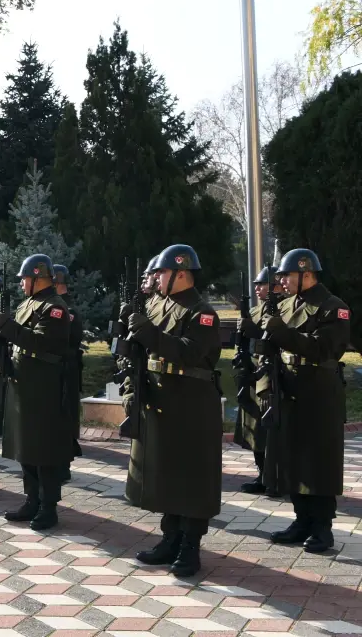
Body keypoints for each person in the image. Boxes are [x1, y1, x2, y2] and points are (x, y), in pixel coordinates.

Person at [123, 244, 222, 577]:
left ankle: (190, 546)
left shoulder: (202, 312)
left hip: (192, 403)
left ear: (181, 274)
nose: (156, 278)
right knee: (167, 473)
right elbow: (140, 349)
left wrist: (148, 332)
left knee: (192, 476)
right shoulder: (157, 304)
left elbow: (190, 353)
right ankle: (170, 538)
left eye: (162, 272)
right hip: (162, 399)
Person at [242, 248, 350, 554]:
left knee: (318, 460)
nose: (282, 282)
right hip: (287, 388)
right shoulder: (286, 305)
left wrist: (280, 331)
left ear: (307, 273)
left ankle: (322, 527)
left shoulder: (333, 307)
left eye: (287, 276)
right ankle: (302, 520)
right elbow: (268, 346)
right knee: (292, 457)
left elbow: (324, 349)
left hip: (318, 391)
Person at [0, 254, 71, 531]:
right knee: (26, 446)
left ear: (38, 278)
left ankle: (48, 507)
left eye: (25, 278)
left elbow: (42, 343)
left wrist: (7, 326)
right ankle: (32, 499)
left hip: (43, 386)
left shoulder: (55, 308)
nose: (22, 283)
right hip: (23, 383)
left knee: (43, 448)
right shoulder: (28, 304)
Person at [234, 267, 281, 495]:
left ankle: (276, 479)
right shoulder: (253, 311)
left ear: (275, 287)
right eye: (256, 285)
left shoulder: (281, 309)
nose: (257, 289)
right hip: (253, 374)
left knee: (271, 431)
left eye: (262, 284)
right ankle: (262, 475)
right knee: (255, 430)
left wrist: (252, 329)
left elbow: (274, 338)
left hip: (271, 375)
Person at [52, 265, 85, 479]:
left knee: (64, 416)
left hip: (66, 369)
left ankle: (63, 465)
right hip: (58, 368)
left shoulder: (68, 311)